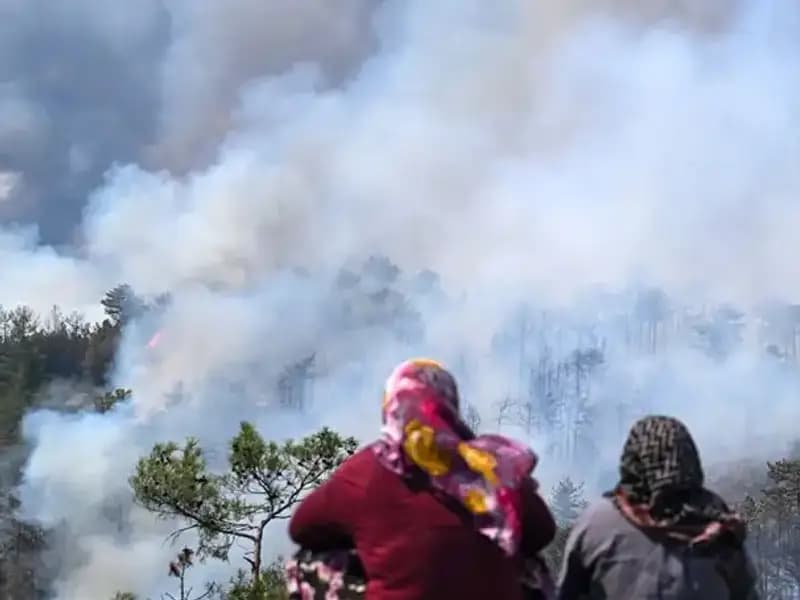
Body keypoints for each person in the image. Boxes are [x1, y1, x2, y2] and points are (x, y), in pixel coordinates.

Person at [287, 358, 557, 600]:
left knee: (307, 562)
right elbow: (542, 531)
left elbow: (302, 527)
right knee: (528, 561)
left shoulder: (369, 469)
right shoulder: (488, 465)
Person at [557, 415, 759, 600]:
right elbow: (745, 591)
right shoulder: (718, 524)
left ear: (632, 462)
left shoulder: (596, 523)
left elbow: (567, 593)